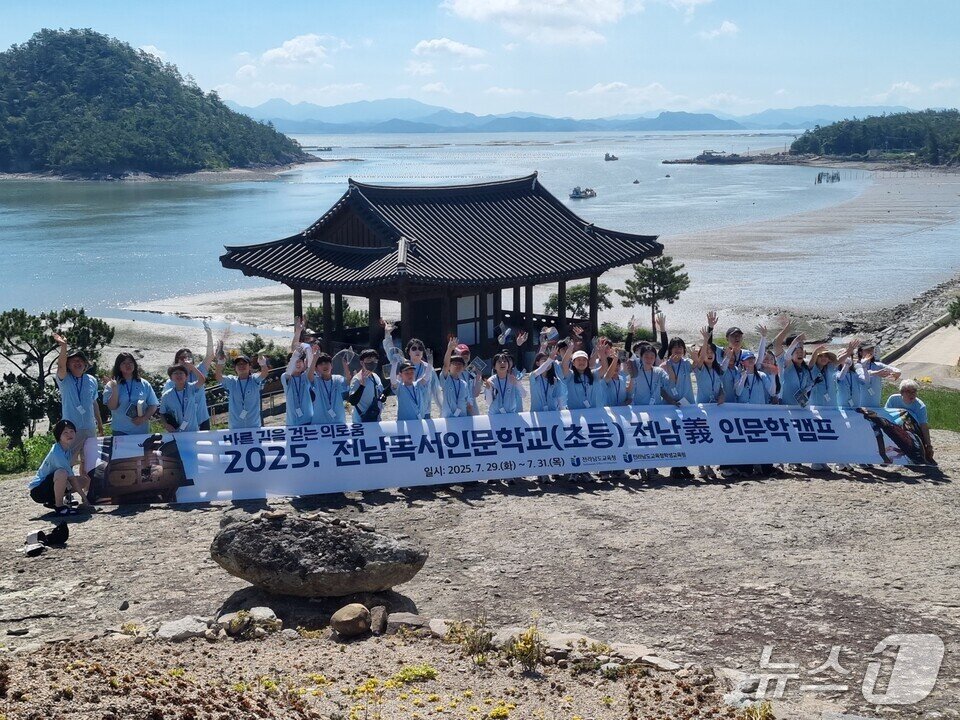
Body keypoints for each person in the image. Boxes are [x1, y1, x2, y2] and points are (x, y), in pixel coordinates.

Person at [52, 333, 103, 476]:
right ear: (68, 365)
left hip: (89, 427)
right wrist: (63, 347)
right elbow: (60, 366)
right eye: (73, 360)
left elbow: (94, 403)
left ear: (85, 364)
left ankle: (86, 487)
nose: (78, 362)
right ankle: (67, 487)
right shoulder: (64, 378)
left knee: (88, 462)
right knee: (68, 461)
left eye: (80, 360)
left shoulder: (91, 380)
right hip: (70, 428)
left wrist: (99, 424)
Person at [29, 419, 92, 515]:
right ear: (59, 435)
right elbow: (71, 479)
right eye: (65, 432)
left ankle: (53, 501)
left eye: (71, 431)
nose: (69, 434)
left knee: (84, 480)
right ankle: (59, 507)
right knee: (62, 473)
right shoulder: (57, 452)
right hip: (39, 491)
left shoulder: (66, 449)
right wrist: (85, 499)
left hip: (50, 485)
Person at [163, 322, 215, 430]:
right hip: (182, 423)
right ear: (177, 361)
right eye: (182, 358)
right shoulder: (171, 381)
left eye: (188, 357)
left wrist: (209, 334)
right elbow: (166, 405)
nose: (185, 360)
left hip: (201, 418)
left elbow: (210, 356)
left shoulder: (198, 371)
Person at [103, 352, 158, 435]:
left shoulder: (144, 383)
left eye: (130, 362)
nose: (128, 365)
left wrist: (144, 418)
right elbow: (112, 407)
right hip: (120, 430)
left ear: (134, 364)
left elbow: (153, 405)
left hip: (142, 430)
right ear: (118, 366)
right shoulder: (111, 385)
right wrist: (115, 389)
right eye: (124, 363)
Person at [214, 354, 270, 429]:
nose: (241, 365)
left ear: (249, 366)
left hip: (254, 425)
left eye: (244, 363)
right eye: (238, 364)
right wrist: (220, 362)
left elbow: (264, 374)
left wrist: (263, 363)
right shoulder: (232, 381)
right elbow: (218, 377)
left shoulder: (254, 379)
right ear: (235, 368)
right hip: (235, 427)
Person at [885, 379, 934, 462]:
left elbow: (923, 425)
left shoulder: (920, 406)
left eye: (914, 391)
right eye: (908, 391)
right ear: (902, 392)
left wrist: (928, 445)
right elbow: (886, 415)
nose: (912, 394)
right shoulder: (893, 399)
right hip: (895, 426)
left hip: (912, 430)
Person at [158, 361, 207, 433]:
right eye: (175, 373)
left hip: (193, 431)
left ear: (186, 377)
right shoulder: (166, 396)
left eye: (181, 373)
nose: (179, 375)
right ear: (171, 378)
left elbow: (202, 380)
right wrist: (165, 424)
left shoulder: (191, 388)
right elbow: (162, 413)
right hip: (176, 432)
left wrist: (192, 367)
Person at [307, 352, 350, 425]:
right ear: (316, 369)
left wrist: (345, 366)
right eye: (321, 364)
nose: (324, 366)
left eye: (326, 363)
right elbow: (309, 378)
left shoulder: (338, 379)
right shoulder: (316, 380)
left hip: (338, 421)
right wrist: (314, 359)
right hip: (319, 422)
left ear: (331, 365)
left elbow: (348, 383)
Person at [856, 342, 901, 407]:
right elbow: (862, 373)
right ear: (860, 353)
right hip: (861, 406)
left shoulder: (877, 365)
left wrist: (898, 372)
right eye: (867, 350)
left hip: (876, 404)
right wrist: (877, 373)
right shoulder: (857, 366)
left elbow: (893, 369)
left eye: (872, 350)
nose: (870, 352)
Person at [348, 349, 386, 423]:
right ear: (362, 362)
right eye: (369, 359)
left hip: (375, 417)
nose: (372, 362)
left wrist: (383, 397)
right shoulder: (357, 379)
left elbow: (381, 393)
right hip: (361, 420)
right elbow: (352, 401)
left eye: (375, 360)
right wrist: (362, 385)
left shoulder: (375, 376)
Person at [281, 345, 313, 426]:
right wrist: (295, 355)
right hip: (292, 422)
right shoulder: (285, 377)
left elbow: (310, 365)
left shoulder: (306, 376)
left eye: (299, 361)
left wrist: (307, 348)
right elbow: (288, 372)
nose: (297, 363)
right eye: (295, 361)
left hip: (308, 420)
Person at [529, 347, 567, 412]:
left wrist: (563, 411)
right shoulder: (533, 376)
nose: (548, 364)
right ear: (537, 363)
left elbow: (559, 398)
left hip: (552, 412)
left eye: (550, 362)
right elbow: (541, 369)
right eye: (544, 361)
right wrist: (550, 359)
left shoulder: (555, 380)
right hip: (537, 412)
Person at [440, 338, 471, 418]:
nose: (457, 366)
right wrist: (449, 349)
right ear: (450, 366)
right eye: (454, 363)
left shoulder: (464, 384)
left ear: (463, 367)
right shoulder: (446, 379)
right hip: (448, 419)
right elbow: (445, 365)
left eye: (460, 364)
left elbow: (468, 404)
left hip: (462, 418)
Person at [453, 342, 483, 415]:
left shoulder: (472, 370)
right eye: (463, 354)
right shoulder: (452, 371)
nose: (465, 356)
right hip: (458, 407)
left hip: (472, 406)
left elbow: (476, 394)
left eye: (467, 353)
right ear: (456, 355)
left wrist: (479, 376)